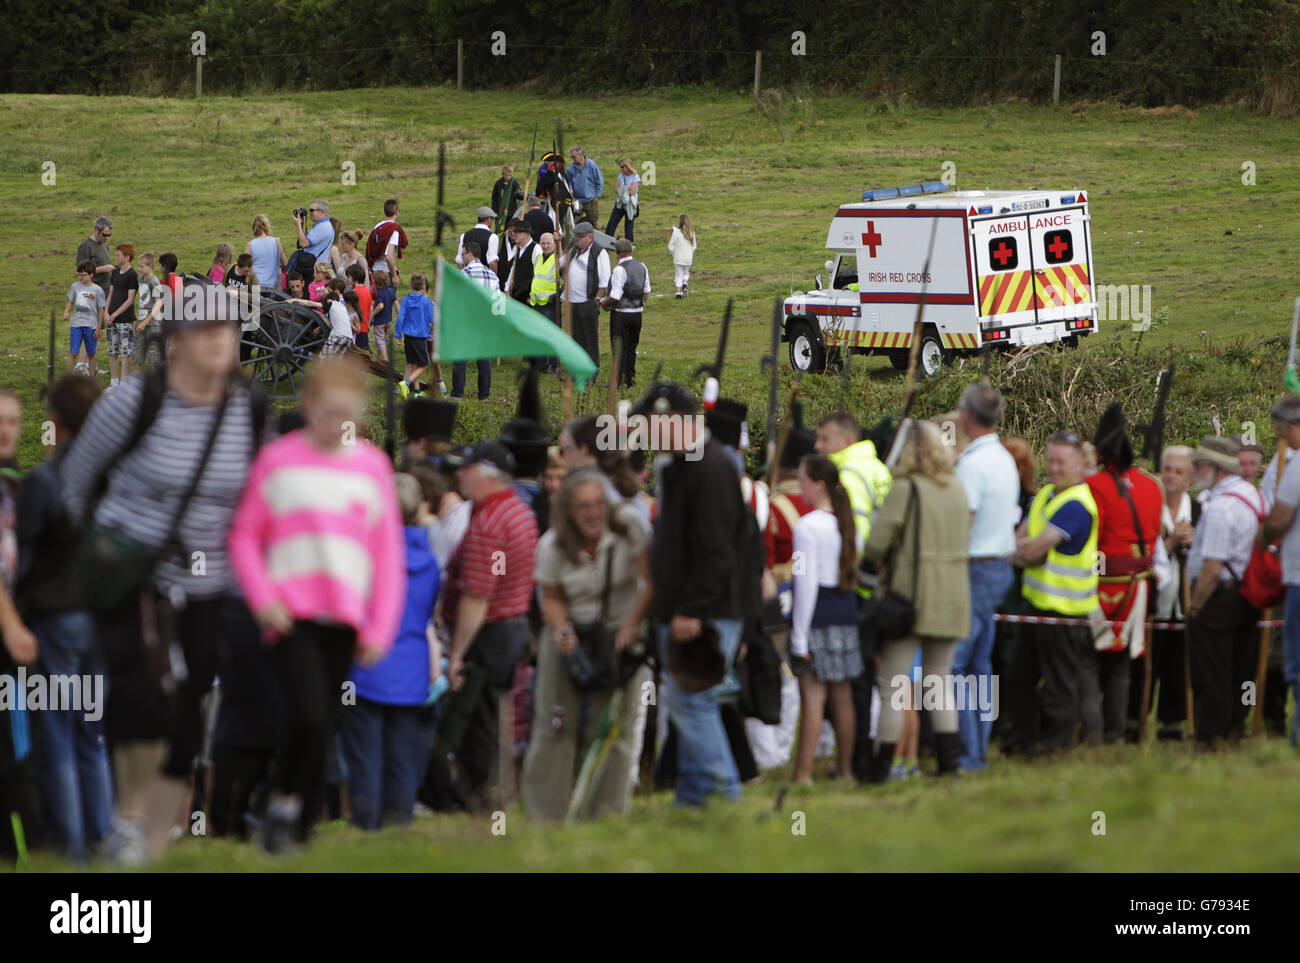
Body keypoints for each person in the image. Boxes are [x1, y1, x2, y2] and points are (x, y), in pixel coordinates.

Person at [61, 293, 263, 865]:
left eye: (227, 327)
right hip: (134, 573)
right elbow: (75, 486)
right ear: (176, 338)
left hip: (210, 583)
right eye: (205, 329)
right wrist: (99, 556)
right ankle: (126, 822)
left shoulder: (249, 407)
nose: (220, 337)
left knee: (191, 705)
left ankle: (150, 844)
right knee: (144, 694)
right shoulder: (133, 402)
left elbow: (256, 498)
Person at [228, 356, 404, 851]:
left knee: (323, 721)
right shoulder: (279, 459)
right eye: (327, 412)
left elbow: (386, 555)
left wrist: (379, 628)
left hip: (344, 615)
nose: (336, 424)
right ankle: (281, 803)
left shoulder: (372, 466)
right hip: (290, 612)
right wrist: (264, 601)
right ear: (306, 406)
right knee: (306, 713)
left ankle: (295, 824)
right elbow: (244, 535)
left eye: (347, 413)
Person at [642, 381, 754, 807]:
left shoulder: (708, 467)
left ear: (672, 419)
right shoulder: (687, 464)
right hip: (695, 605)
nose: (646, 434)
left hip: (706, 608)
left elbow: (715, 550)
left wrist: (691, 609)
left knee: (692, 702)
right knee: (685, 701)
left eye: (650, 424)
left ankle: (723, 792)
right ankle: (693, 796)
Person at [14, 374, 111, 863]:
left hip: (55, 618)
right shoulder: (111, 477)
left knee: (58, 737)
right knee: (91, 736)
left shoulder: (45, 481)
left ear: (55, 421)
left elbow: (24, 560)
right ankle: (103, 838)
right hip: (100, 619)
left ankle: (72, 849)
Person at [521, 469, 653, 821]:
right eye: (582, 506)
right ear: (568, 511)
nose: (592, 513)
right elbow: (550, 597)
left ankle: (606, 814)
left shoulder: (629, 529)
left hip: (620, 632)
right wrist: (563, 631)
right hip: (571, 633)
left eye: (598, 504)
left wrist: (632, 624)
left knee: (614, 727)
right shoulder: (552, 544)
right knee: (555, 722)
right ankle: (544, 817)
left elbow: (652, 581)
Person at [861, 420, 971, 781]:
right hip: (953, 594)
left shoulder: (905, 489)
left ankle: (879, 769)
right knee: (938, 682)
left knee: (894, 687)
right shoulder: (957, 489)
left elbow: (877, 543)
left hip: (911, 595)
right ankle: (949, 764)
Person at [441, 441, 540, 807]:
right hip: (510, 624)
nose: (459, 476)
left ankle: (480, 797)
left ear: (486, 476)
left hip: (489, 631)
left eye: (465, 470)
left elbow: (478, 597)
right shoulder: (518, 510)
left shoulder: (489, 522)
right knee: (492, 712)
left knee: (475, 716)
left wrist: (457, 654)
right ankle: (490, 792)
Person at [340, 473, 440, 830]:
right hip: (411, 671)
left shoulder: (365, 557)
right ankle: (399, 823)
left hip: (366, 665)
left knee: (364, 755)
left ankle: (366, 823)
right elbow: (427, 613)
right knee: (402, 756)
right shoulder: (429, 561)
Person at [1005, 430, 1102, 757]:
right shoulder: (1045, 494)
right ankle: (1020, 742)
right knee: (1019, 678)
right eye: (1051, 460)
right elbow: (1022, 542)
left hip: (1065, 612)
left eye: (1063, 462)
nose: (1055, 468)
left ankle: (1056, 749)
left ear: (1080, 465)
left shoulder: (1076, 505)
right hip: (1034, 605)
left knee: (1059, 685)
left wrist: (1023, 552)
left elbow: (1030, 550)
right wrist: (1024, 550)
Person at [814, 411, 892, 780]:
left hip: (858, 590)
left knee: (854, 680)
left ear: (844, 441)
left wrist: (844, 579)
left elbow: (855, 536)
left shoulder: (847, 476)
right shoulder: (876, 468)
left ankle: (856, 758)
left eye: (823, 439)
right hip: (881, 586)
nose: (818, 446)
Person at [949, 384, 1019, 770]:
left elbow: (965, 518)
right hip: (998, 565)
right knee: (980, 664)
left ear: (967, 417)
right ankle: (977, 747)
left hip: (975, 566)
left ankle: (968, 753)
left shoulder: (973, 463)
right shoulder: (1004, 457)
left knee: (955, 664)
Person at [1085, 404, 1163, 745]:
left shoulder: (1092, 486)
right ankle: (1116, 734)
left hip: (1100, 586)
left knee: (1086, 662)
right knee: (1119, 668)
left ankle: (1092, 734)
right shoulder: (1151, 486)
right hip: (1139, 589)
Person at [1185, 435, 1263, 746]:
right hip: (1246, 593)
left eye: (1200, 466)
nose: (1196, 472)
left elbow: (1212, 568)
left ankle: (1212, 737)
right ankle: (1237, 726)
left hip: (1219, 598)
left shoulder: (1220, 507)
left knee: (1213, 671)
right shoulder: (1251, 494)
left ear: (1218, 469)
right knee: (1243, 671)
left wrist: (1195, 607)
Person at [788, 454, 862, 784]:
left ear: (818, 485)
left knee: (813, 700)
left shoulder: (807, 527)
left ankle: (803, 775)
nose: (799, 485)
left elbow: (803, 585)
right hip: (845, 613)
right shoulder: (848, 523)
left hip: (817, 616)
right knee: (843, 697)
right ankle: (846, 770)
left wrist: (799, 636)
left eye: (803, 479)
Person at [1132, 444, 1197, 742]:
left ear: (1190, 478)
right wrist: (1169, 543)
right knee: (1144, 663)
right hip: (1151, 602)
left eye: (1178, 471)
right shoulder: (1147, 505)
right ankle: (1134, 720)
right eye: (1166, 470)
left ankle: (1172, 723)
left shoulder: (1198, 510)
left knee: (1178, 664)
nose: (1170, 476)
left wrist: (1192, 542)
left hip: (1183, 604)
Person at [1261, 396, 1300, 745]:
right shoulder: (1289, 462)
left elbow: (1278, 518)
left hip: (1296, 577)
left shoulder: (1296, 465)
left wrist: (1261, 542)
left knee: (1293, 660)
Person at [600, 238, 649, 388]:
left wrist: (603, 303)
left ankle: (618, 381)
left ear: (617, 253)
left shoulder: (619, 270)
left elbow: (615, 295)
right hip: (637, 313)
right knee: (632, 348)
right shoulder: (642, 266)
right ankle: (630, 379)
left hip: (621, 313)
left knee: (618, 348)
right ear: (631, 251)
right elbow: (646, 292)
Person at [564, 221, 609, 376]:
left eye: (581, 237)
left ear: (590, 238)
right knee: (576, 338)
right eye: (576, 236)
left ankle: (592, 372)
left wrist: (596, 300)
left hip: (588, 302)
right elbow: (560, 265)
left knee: (590, 339)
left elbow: (604, 280)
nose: (577, 239)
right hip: (572, 302)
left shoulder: (599, 252)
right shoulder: (573, 251)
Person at [454, 242, 497, 400]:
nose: (463, 256)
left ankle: (458, 393)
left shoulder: (464, 274)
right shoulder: (492, 275)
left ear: (470, 254)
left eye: (464, 253)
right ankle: (484, 394)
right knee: (484, 360)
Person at [104, 243, 139, 390]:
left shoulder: (132, 274)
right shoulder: (115, 273)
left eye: (119, 255)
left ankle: (124, 384)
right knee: (112, 350)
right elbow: (111, 293)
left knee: (125, 352)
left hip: (125, 318)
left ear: (127, 257)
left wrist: (115, 313)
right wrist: (106, 311)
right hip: (111, 318)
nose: (116, 257)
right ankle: (114, 382)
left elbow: (130, 299)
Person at [395, 273, 435, 398]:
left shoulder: (406, 300)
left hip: (408, 337)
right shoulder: (427, 302)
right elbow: (432, 319)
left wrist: (398, 334)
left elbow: (400, 318)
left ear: (411, 285)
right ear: (424, 286)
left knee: (414, 364)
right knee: (424, 364)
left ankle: (417, 391)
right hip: (420, 338)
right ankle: (406, 383)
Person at [65, 261, 106, 377]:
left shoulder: (98, 290)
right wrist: (67, 312)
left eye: (83, 275)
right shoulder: (75, 287)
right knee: (73, 352)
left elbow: (101, 310)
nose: (81, 277)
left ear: (91, 274)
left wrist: (98, 327)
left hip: (91, 326)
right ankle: (67, 379)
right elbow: (70, 301)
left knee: (91, 353)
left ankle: (92, 378)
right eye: (79, 275)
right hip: (76, 324)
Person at [529, 231, 563, 374]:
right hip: (537, 302)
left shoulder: (557, 259)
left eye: (548, 243)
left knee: (552, 335)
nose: (545, 245)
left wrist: (554, 297)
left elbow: (563, 269)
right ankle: (541, 364)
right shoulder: (538, 257)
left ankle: (553, 365)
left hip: (550, 303)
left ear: (554, 244)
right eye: (543, 243)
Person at [132, 253, 166, 370]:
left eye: (142, 266)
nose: (139, 269)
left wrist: (145, 321)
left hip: (153, 323)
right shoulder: (140, 279)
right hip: (141, 320)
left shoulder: (155, 282)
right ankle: (137, 383)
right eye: (138, 266)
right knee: (137, 353)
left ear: (151, 266)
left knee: (153, 355)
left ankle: (154, 384)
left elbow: (158, 303)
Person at [367, 199, 407, 289]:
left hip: (374, 271)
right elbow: (389, 257)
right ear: (397, 212)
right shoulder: (393, 230)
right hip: (385, 274)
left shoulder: (376, 227)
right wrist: (394, 276)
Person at [292, 200, 335, 276]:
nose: (309, 213)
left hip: (314, 269)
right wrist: (301, 223)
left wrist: (298, 225)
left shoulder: (323, 227)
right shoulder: (323, 225)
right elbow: (303, 240)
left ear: (321, 212)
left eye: (312, 210)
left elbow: (304, 243)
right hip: (314, 267)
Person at [247, 215, 288, 293]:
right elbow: (285, 264)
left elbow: (244, 266)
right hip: (273, 286)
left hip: (255, 285)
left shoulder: (250, 244)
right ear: (267, 226)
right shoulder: (276, 242)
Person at [75, 216, 114, 296]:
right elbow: (77, 272)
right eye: (104, 235)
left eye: (109, 235)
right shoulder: (85, 246)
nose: (107, 238)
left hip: (106, 293)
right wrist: (102, 269)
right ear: (96, 229)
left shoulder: (104, 244)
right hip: (92, 294)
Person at [604, 156, 640, 241]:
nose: (621, 169)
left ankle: (628, 243)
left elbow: (632, 191)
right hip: (620, 203)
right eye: (620, 167)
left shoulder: (635, 176)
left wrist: (623, 189)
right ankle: (607, 240)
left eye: (622, 167)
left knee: (629, 225)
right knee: (612, 222)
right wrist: (626, 188)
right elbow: (616, 189)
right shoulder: (620, 176)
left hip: (630, 204)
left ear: (628, 166)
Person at [455, 207, 500, 273]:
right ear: (489, 219)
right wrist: (493, 278)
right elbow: (492, 263)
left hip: (469, 279)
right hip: (484, 279)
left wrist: (464, 278)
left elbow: (459, 261)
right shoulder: (492, 237)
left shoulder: (464, 235)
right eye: (492, 219)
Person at [567, 146, 604, 227]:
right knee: (575, 222)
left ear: (581, 155)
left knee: (593, 222)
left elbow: (599, 180)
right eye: (571, 157)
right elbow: (569, 182)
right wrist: (570, 188)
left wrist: (597, 195)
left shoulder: (592, 165)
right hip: (577, 200)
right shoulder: (570, 169)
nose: (573, 159)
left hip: (590, 199)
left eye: (574, 157)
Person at [370, 269, 397, 364]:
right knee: (383, 339)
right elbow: (396, 302)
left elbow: (380, 306)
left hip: (380, 321)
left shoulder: (379, 293)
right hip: (388, 320)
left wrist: (372, 315)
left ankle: (386, 361)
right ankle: (381, 359)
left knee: (380, 341)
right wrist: (399, 313)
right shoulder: (391, 290)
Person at [345, 263, 373, 353]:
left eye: (348, 276)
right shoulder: (367, 290)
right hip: (365, 326)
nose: (347, 279)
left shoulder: (353, 292)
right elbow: (371, 308)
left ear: (354, 278)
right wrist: (368, 323)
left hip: (356, 328)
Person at [668, 214, 697, 298]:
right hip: (688, 258)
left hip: (678, 258)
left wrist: (674, 253)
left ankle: (678, 293)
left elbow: (670, 246)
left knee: (678, 274)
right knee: (686, 273)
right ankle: (685, 283)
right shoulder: (691, 232)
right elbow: (694, 246)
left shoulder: (676, 232)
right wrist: (690, 253)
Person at [492, 165, 524, 234]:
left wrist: (524, 195)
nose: (508, 177)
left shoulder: (514, 182)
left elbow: (519, 193)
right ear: (503, 174)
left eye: (510, 175)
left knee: (510, 229)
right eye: (507, 175)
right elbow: (494, 198)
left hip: (511, 211)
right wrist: (494, 211)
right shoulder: (498, 184)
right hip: (500, 211)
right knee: (500, 229)